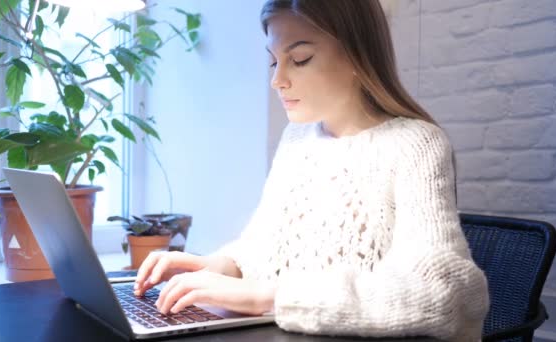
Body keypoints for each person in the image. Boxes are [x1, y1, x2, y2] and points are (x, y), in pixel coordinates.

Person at [133, 0, 490, 341]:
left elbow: (444, 293)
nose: (278, 80)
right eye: (274, 61)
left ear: (357, 55)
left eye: (299, 59)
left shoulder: (416, 144)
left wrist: (268, 297)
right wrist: (213, 267)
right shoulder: (298, 138)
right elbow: (264, 244)